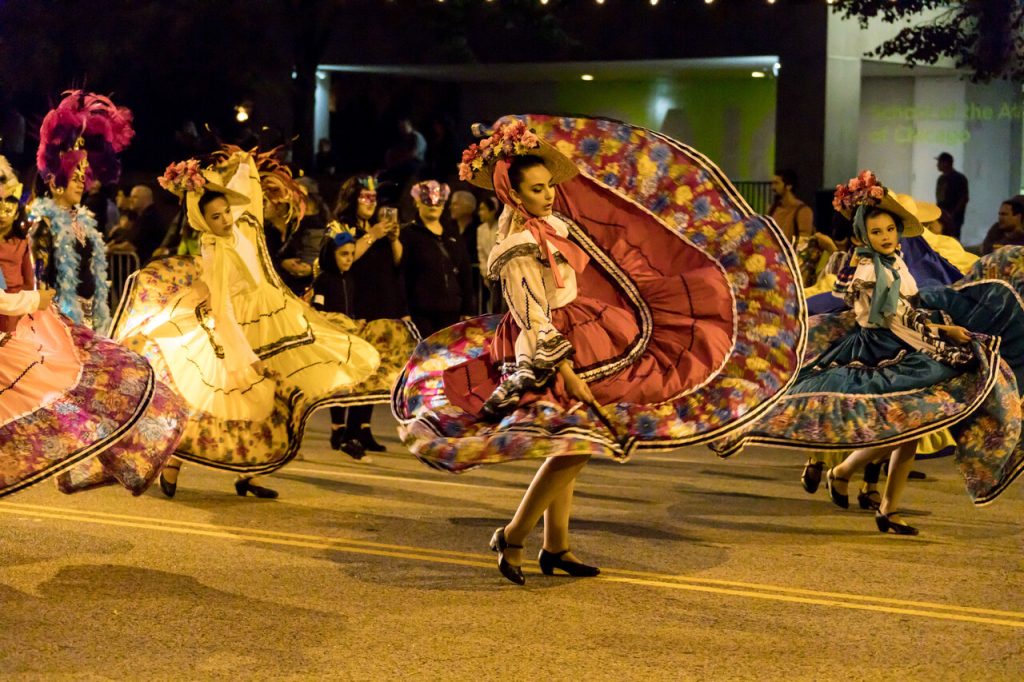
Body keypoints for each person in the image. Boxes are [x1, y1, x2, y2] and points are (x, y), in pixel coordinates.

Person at [393, 116, 806, 584]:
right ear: (515, 195)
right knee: (575, 443)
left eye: (549, 186)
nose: (549, 195)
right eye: (536, 189)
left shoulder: (554, 226)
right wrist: (566, 372)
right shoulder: (518, 248)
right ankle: (513, 534)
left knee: (574, 441)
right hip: (544, 348)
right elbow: (533, 317)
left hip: (584, 329)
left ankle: (555, 545)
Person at [715, 170, 1024, 535]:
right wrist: (942, 333)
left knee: (913, 426)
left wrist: (945, 318)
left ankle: (878, 499)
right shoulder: (868, 271)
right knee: (901, 422)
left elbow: (911, 304)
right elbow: (897, 318)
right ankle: (850, 477)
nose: (886, 237)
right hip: (882, 351)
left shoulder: (897, 260)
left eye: (890, 230)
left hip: (907, 342)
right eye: (877, 232)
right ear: (864, 235)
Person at [110, 151, 382, 498]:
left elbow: (247, 186)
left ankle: (248, 475)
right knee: (215, 402)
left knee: (261, 402)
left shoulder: (240, 225)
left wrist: (239, 161)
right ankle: (177, 460)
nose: (225, 219)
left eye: (226, 212)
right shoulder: (216, 250)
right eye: (216, 216)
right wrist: (245, 357)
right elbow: (223, 307)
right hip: (233, 328)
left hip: (263, 314)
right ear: (204, 221)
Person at [0, 104, 186, 496]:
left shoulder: (82, 219)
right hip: (44, 319)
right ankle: (72, 456)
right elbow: (36, 275)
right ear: (55, 181)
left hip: (73, 313)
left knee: (89, 392)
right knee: (64, 395)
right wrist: (45, 310)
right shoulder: (40, 221)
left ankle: (90, 455)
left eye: (85, 175)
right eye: (76, 175)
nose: (83, 182)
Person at [312, 223, 418, 459]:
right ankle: (338, 429)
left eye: (352, 254)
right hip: (333, 340)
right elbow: (318, 311)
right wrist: (337, 324)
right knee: (335, 386)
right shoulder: (324, 280)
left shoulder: (349, 279)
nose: (349, 259)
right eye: (343, 254)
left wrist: (355, 321)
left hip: (349, 338)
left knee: (349, 385)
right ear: (331, 254)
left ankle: (347, 434)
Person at [329, 175, 409, 455]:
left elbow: (398, 263)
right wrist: (372, 235)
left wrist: (394, 240)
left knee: (377, 369)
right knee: (352, 368)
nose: (370, 203)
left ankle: (362, 426)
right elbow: (346, 258)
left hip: (381, 303)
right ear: (353, 198)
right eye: (365, 197)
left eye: (374, 198)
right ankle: (341, 428)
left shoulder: (380, 227)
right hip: (355, 303)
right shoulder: (342, 226)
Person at [400, 180, 476, 337]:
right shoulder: (408, 234)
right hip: (421, 313)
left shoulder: (452, 234)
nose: (433, 205)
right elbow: (401, 275)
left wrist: (468, 309)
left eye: (438, 201)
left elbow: (465, 272)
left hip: (452, 312)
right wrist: (403, 311)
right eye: (427, 200)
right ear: (417, 202)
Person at [769, 169, 836, 286]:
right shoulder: (774, 209)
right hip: (773, 261)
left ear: (788, 186)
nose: (773, 187)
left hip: (790, 265)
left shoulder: (802, 211)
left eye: (777, 183)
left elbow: (804, 243)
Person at [476, 195, 504, 313]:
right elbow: (481, 252)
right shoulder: (480, 229)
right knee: (492, 302)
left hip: (502, 272)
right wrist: (485, 272)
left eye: (483, 209)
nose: (480, 213)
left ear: (492, 211)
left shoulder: (501, 227)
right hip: (489, 273)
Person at [935, 152, 969, 239]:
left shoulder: (959, 178)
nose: (937, 165)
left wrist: (952, 214)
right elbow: (940, 198)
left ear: (946, 163)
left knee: (953, 239)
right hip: (942, 216)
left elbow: (964, 198)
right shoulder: (941, 179)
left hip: (954, 218)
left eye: (939, 162)